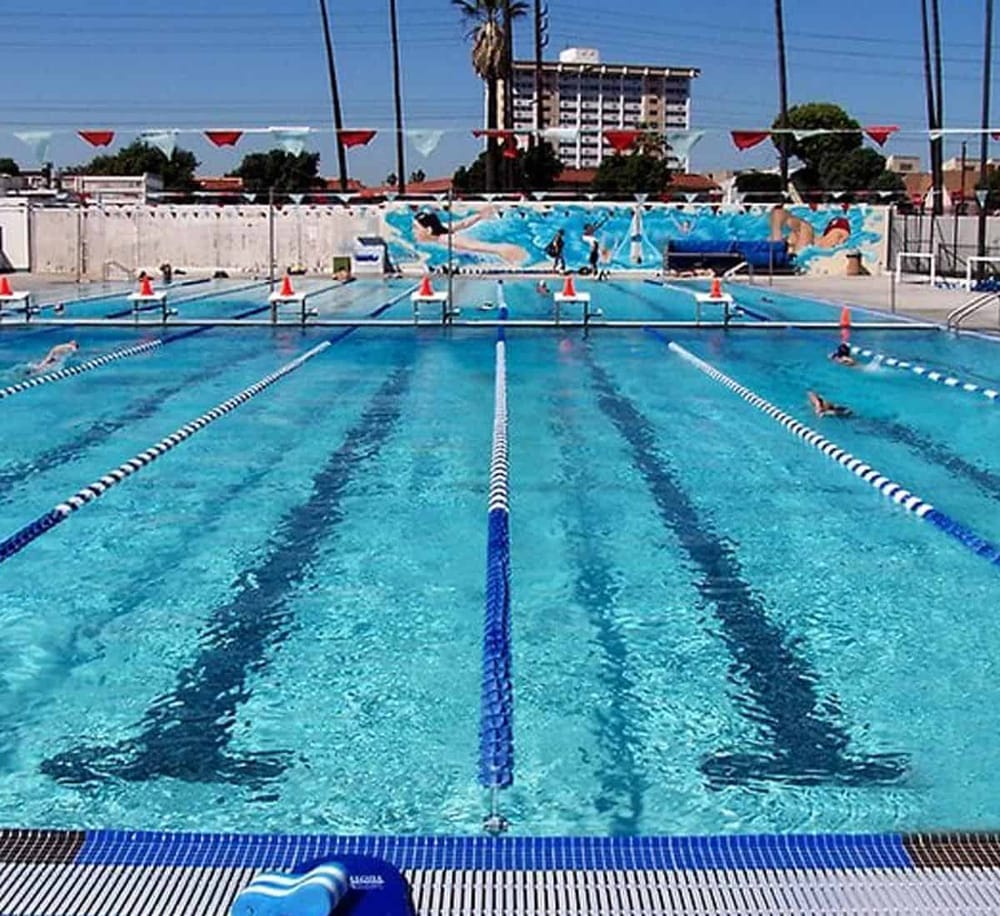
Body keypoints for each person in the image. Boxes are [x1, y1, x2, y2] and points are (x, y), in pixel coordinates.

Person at [412, 206, 527, 264]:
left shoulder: (445, 239)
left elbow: (474, 246)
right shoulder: (442, 228)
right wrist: (480, 215)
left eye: (416, 228)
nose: (413, 231)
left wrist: (503, 249)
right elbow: (463, 223)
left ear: (428, 230)